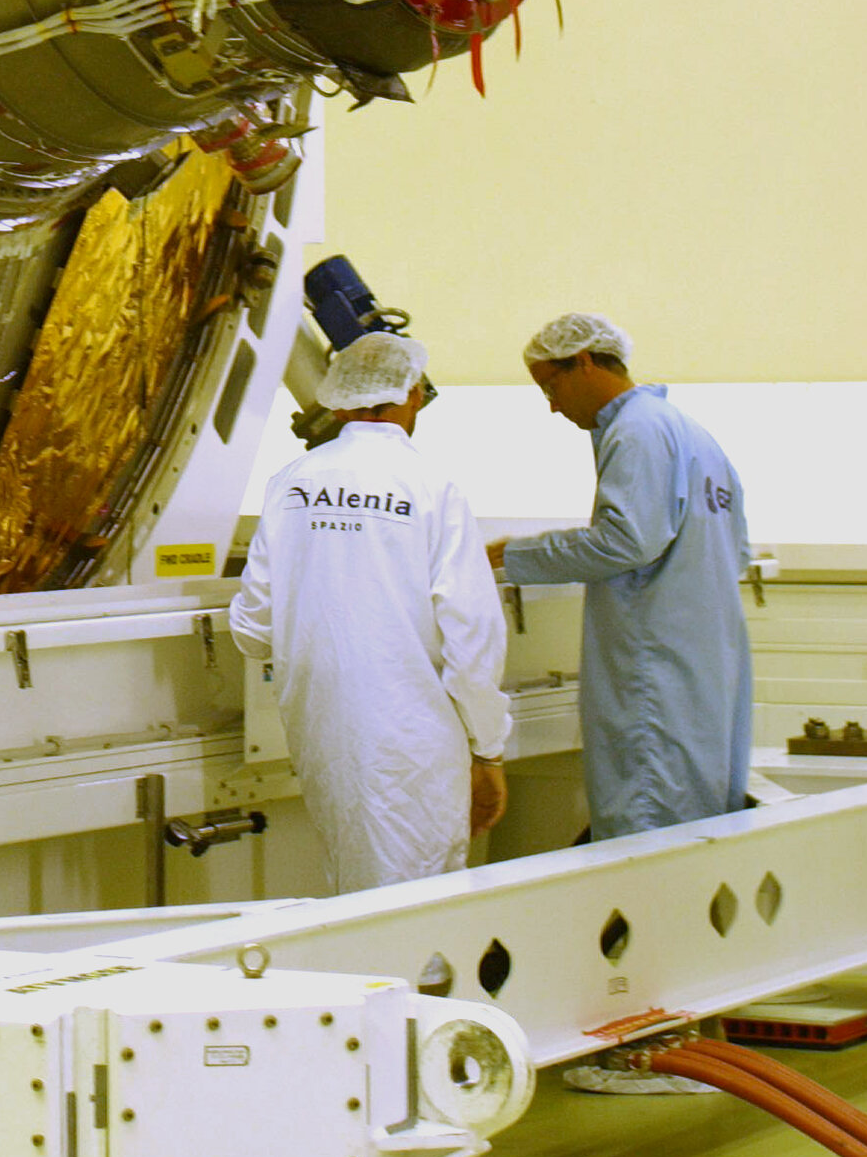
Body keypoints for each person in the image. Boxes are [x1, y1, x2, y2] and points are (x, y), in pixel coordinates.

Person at [229, 331, 510, 893]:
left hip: (323, 731)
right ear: (409, 394)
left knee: (354, 878)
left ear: (337, 399)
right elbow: (472, 635)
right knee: (418, 897)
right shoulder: (433, 487)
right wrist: (489, 748)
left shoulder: (292, 482)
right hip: (414, 736)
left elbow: (252, 627)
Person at [490, 313, 753, 840]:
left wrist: (506, 558)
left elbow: (626, 540)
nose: (552, 405)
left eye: (551, 384)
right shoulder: (691, 433)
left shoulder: (635, 431)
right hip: (703, 670)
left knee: (647, 825)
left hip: (654, 674)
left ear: (584, 363)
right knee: (695, 827)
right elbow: (736, 550)